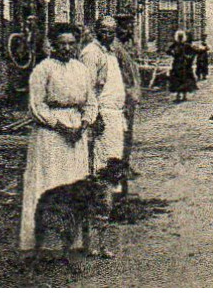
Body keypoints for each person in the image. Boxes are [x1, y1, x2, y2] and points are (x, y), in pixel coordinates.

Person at [19, 24, 99, 251]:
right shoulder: (43, 69)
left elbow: (91, 102)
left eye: (71, 44)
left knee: (76, 185)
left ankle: (73, 241)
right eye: (61, 44)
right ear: (53, 45)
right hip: (51, 134)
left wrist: (84, 123)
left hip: (76, 134)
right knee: (50, 182)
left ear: (77, 45)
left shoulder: (81, 69)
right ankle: (44, 242)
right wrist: (59, 125)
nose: (66, 48)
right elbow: (36, 105)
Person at [79, 17, 128, 176]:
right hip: (103, 112)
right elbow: (87, 88)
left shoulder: (109, 51)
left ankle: (112, 196)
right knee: (103, 160)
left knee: (114, 158)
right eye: (103, 31)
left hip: (115, 113)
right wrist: (95, 116)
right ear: (96, 30)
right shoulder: (91, 53)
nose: (107, 35)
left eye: (111, 32)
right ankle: (102, 197)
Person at [111, 18, 142, 165]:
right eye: (125, 29)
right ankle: (121, 165)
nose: (128, 32)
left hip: (129, 93)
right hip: (121, 94)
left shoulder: (124, 47)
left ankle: (125, 163)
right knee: (122, 132)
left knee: (127, 131)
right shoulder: (114, 48)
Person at [167, 31, 198, 101]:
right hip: (177, 64)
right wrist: (173, 54)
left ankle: (184, 95)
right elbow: (168, 51)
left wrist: (189, 57)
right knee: (176, 79)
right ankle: (178, 96)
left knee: (185, 79)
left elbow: (194, 51)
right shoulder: (175, 45)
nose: (180, 38)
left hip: (184, 64)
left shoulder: (186, 45)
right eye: (179, 37)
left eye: (181, 37)